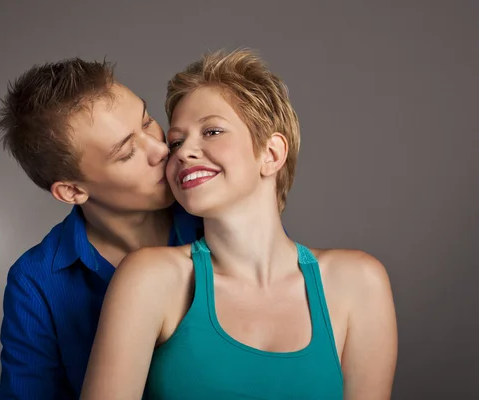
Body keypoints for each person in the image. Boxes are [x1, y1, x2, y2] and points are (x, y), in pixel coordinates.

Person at [81, 49, 398, 399]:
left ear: (272, 154)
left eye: (213, 131)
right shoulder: (149, 278)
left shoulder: (358, 282)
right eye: (176, 141)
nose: (184, 152)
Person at [0, 57, 202, 399]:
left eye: (147, 122)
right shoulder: (35, 282)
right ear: (73, 191)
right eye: (126, 153)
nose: (162, 149)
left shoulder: (212, 217)